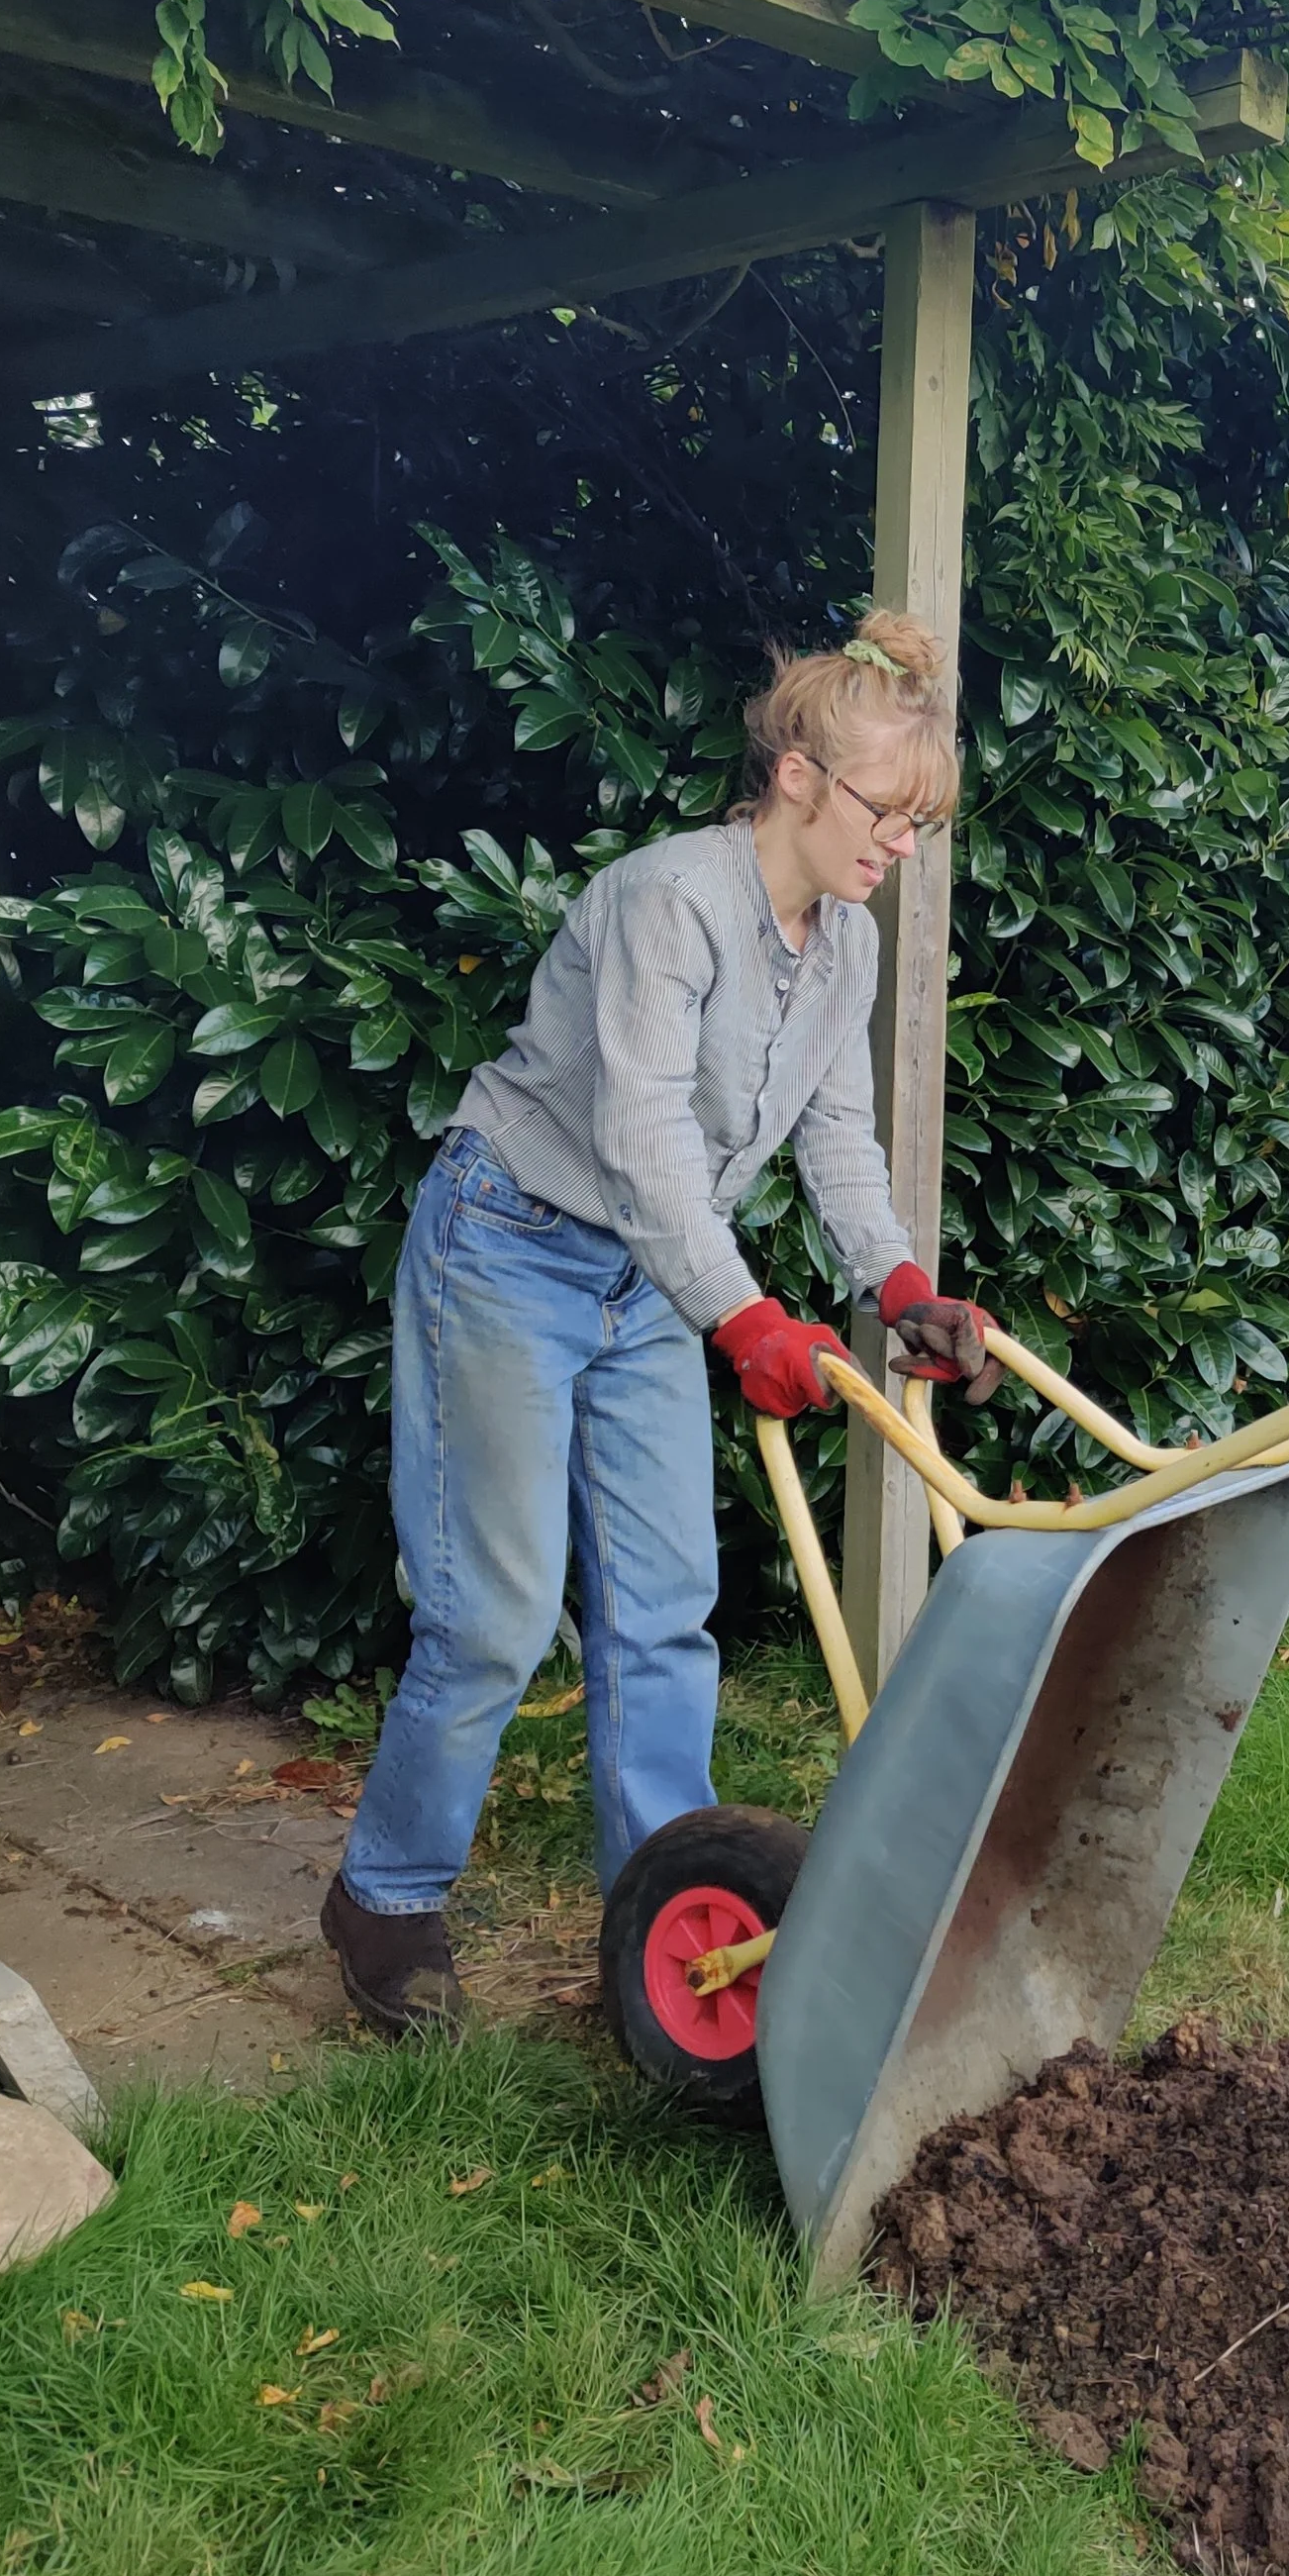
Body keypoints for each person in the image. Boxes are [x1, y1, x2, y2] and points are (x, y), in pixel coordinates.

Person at [320, 609, 1003, 2035]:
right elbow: (639, 1138)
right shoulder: (667, 903)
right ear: (799, 777)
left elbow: (833, 1142)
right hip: (508, 1247)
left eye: (923, 826)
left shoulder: (847, 948)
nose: (901, 846)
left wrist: (895, 1288)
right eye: (890, 812)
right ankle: (384, 1895)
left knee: (666, 1611)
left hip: (644, 1285)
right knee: (495, 1617)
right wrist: (746, 1318)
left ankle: (659, 1910)